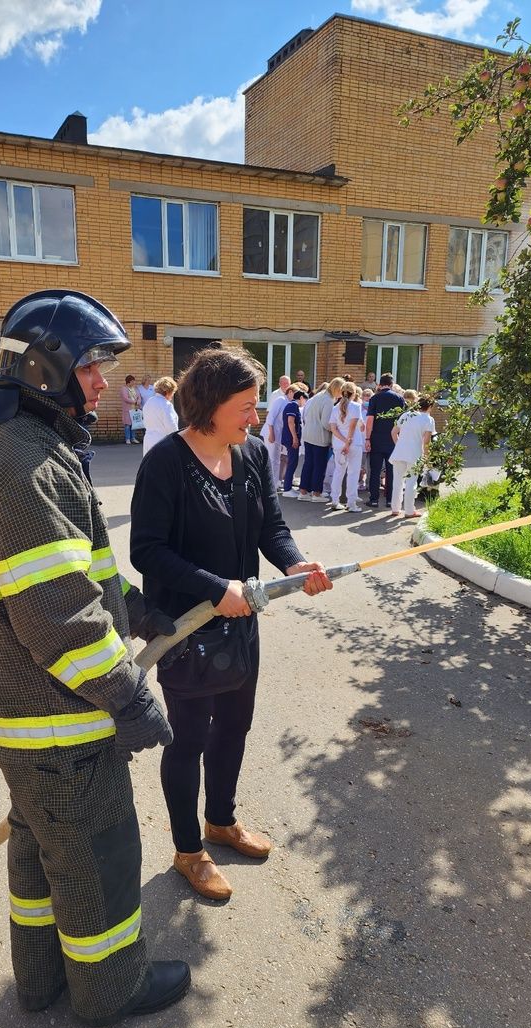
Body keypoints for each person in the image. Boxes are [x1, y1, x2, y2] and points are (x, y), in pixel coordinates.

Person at [0, 288, 189, 1025]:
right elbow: (58, 617)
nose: (102, 383)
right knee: (97, 854)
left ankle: (41, 978)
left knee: (42, 851)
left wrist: (134, 605)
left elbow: (70, 575)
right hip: (58, 725)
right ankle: (110, 988)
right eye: (90, 367)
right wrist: (128, 696)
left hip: (26, 722)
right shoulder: (29, 465)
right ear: (44, 368)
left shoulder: (25, 445)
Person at [130, 346, 332, 901]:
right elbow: (147, 550)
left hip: (241, 625)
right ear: (212, 404)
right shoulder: (166, 463)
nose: (255, 416)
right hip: (186, 631)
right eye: (245, 406)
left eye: (256, 404)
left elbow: (272, 528)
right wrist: (216, 588)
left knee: (234, 727)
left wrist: (294, 565)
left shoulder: (253, 454)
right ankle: (188, 850)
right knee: (189, 738)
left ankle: (221, 821)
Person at [298, 377, 344, 502]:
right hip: (320, 437)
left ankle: (303, 491)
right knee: (319, 466)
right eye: (341, 391)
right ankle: (316, 493)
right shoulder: (328, 400)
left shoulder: (318, 396)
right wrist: (336, 429)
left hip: (308, 435)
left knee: (308, 464)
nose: (341, 395)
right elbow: (326, 423)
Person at [389, 395, 436, 518]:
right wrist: (427, 458)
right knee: (411, 482)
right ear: (430, 407)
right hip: (415, 453)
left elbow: (393, 432)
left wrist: (399, 445)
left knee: (397, 481)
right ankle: (409, 511)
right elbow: (426, 442)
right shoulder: (429, 419)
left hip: (399, 452)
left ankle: (395, 509)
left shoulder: (406, 415)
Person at [364, 373, 405, 508]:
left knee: (375, 470)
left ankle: (374, 499)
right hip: (393, 439)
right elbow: (402, 421)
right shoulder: (399, 398)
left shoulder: (375, 398)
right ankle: (390, 500)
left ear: (379, 384)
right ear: (392, 384)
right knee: (391, 470)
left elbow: (370, 420)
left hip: (376, 438)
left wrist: (367, 438)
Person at [328, 382, 364, 512]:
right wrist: (348, 442)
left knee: (338, 471)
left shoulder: (335, 408)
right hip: (354, 443)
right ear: (353, 393)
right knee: (353, 473)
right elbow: (354, 426)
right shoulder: (356, 406)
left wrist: (344, 441)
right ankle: (351, 503)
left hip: (338, 444)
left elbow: (333, 428)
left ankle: (335, 500)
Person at [262, 383, 294, 491]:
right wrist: (271, 433)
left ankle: (274, 484)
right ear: (290, 392)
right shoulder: (281, 400)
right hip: (271, 433)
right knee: (272, 460)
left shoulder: (288, 402)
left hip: (277, 434)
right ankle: (270, 485)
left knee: (276, 460)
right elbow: (270, 417)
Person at [280, 386, 308, 497]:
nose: (305, 403)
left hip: (291, 438)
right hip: (291, 439)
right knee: (292, 462)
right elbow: (290, 422)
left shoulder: (293, 406)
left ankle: (288, 487)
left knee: (293, 462)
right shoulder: (293, 406)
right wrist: (295, 438)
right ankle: (287, 489)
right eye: (305, 400)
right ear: (301, 398)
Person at [142, 376, 178, 455]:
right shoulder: (166, 405)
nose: (172, 396)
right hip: (162, 442)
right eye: (173, 392)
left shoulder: (149, 402)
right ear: (168, 391)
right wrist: (177, 441)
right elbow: (171, 426)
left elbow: (145, 422)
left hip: (148, 440)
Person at [120, 374, 141, 444]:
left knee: (134, 424)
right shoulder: (124, 389)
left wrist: (138, 401)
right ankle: (128, 439)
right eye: (133, 381)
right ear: (129, 382)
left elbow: (139, 396)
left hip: (135, 409)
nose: (134, 382)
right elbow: (125, 398)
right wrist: (134, 402)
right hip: (127, 410)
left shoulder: (135, 388)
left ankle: (133, 438)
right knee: (127, 425)